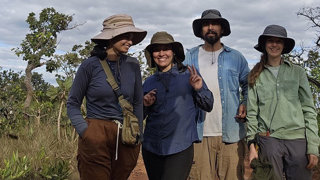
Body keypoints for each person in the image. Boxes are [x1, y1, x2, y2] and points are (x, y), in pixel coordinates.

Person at [66, 14, 146, 180]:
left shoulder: (133, 65)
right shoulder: (90, 65)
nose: (130, 42)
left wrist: (138, 135)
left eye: (131, 37)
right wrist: (85, 131)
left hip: (126, 135)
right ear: (111, 37)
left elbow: (138, 102)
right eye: (125, 36)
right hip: (96, 133)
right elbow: (73, 103)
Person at [246, 24, 319, 180]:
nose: (274, 45)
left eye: (278, 41)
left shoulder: (297, 72)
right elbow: (252, 113)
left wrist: (312, 146)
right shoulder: (255, 75)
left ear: (284, 45)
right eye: (270, 41)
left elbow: (308, 109)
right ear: (264, 45)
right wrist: (252, 146)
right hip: (269, 140)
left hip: (298, 139)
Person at [184, 9, 250, 180]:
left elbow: (249, 86)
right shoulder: (189, 57)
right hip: (198, 134)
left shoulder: (236, 57)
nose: (210, 27)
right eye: (206, 24)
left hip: (231, 132)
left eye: (215, 24)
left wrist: (245, 102)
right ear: (201, 30)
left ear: (222, 29)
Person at [142, 31, 214, 180]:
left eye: (166, 49)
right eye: (156, 50)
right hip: (151, 147)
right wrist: (145, 104)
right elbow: (139, 115)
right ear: (152, 55)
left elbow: (208, 105)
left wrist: (199, 88)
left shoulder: (189, 76)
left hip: (180, 147)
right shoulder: (149, 82)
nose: (161, 53)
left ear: (174, 52)